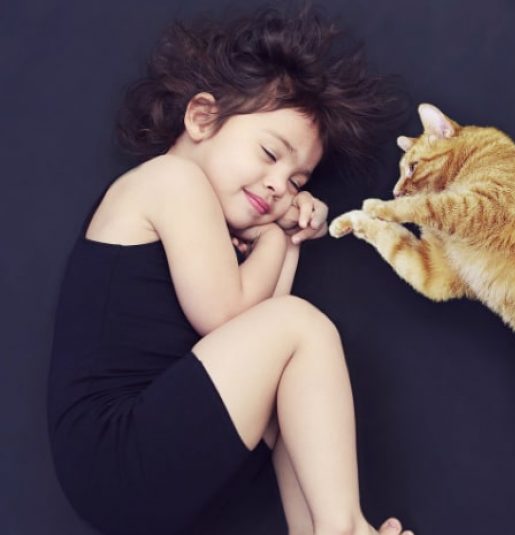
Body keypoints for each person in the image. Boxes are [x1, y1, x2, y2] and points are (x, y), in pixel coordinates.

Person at [46, 4, 411, 534]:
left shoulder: (211, 228)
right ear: (202, 118)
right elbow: (230, 316)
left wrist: (286, 242)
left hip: (154, 463)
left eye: (297, 181)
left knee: (294, 373)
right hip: (117, 450)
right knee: (301, 325)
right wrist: (271, 234)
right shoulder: (171, 181)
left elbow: (260, 337)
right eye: (269, 153)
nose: (278, 185)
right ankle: (346, 528)